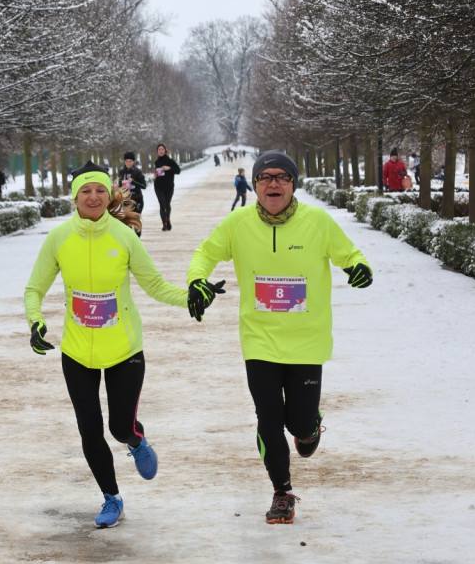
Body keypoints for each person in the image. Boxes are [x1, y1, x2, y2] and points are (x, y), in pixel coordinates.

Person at [186, 150, 372, 524]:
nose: (273, 183)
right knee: (268, 419)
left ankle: (308, 427)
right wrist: (197, 281)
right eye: (265, 177)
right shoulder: (238, 223)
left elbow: (348, 253)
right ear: (254, 184)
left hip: (306, 340)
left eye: (282, 177)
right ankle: (282, 491)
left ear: (293, 184)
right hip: (260, 340)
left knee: (298, 425)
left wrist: (358, 267)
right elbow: (205, 253)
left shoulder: (317, 221)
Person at [24, 161, 192, 529]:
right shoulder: (59, 238)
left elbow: (155, 285)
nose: (93, 196)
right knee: (90, 430)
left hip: (124, 350)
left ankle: (136, 441)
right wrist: (35, 321)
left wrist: (189, 298)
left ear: (109, 194)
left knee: (119, 427)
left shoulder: (123, 236)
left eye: (100, 189)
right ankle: (111, 497)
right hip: (77, 351)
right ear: (75, 197)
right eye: (85, 191)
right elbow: (34, 288)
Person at [153, 143, 181, 231]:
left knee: (167, 204)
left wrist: (169, 168)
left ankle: (167, 219)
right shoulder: (156, 162)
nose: (161, 151)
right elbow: (158, 172)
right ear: (157, 151)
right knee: (162, 203)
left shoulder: (170, 161)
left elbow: (178, 171)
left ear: (165, 150)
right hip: (158, 186)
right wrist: (155, 175)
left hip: (169, 186)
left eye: (162, 149)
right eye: (159, 149)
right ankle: (164, 224)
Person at [118, 152, 147, 216]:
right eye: (126, 161)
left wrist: (133, 182)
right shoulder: (121, 172)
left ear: (133, 161)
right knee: (128, 222)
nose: (128, 163)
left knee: (135, 221)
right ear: (124, 161)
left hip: (137, 199)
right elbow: (119, 185)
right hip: (126, 200)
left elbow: (144, 186)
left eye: (130, 161)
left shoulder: (138, 172)